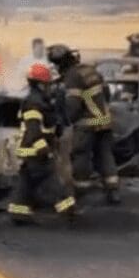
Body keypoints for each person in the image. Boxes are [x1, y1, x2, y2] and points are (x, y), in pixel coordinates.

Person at [47, 44, 122, 205]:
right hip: (105, 121)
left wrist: (67, 121)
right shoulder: (90, 70)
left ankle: (81, 189)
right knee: (105, 154)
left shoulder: (72, 77)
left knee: (81, 155)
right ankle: (113, 190)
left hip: (87, 124)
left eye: (56, 64)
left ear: (61, 63)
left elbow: (73, 105)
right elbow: (107, 93)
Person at [8, 63, 77, 225]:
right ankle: (67, 209)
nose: (50, 87)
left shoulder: (40, 100)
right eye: (48, 84)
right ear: (40, 84)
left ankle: (18, 213)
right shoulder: (34, 103)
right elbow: (33, 129)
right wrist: (43, 149)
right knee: (51, 179)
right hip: (36, 151)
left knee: (26, 182)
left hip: (29, 151)